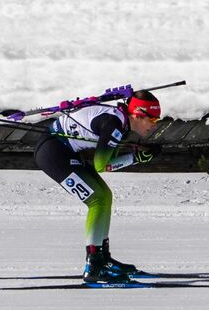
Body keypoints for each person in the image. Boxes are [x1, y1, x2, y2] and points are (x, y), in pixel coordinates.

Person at [32, 90, 162, 284]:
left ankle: (102, 258)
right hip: (53, 153)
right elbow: (102, 165)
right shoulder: (115, 125)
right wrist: (135, 158)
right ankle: (93, 265)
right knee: (97, 199)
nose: (154, 126)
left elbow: (108, 155)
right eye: (152, 121)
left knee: (105, 196)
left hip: (61, 149)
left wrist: (134, 155)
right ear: (138, 115)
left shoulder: (121, 122)